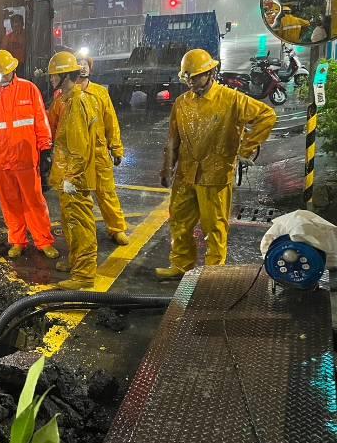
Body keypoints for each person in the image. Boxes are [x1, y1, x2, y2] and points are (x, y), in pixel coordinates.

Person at [156, 49, 277, 280]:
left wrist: (247, 148)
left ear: (211, 73)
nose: (191, 82)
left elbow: (266, 116)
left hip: (215, 175)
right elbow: (173, 139)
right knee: (180, 222)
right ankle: (181, 265)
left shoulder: (231, 99)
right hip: (186, 174)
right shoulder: (182, 103)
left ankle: (213, 275)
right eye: (188, 78)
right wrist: (167, 168)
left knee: (214, 227)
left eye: (196, 77)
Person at [0, 49, 58, 259]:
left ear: (13, 70)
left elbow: (41, 121)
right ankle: (18, 240)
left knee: (34, 202)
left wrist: (45, 149)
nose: (1, 78)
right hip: (1, 163)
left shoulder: (29, 90)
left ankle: (43, 241)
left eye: (4, 73)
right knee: (10, 204)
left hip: (26, 159)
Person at [48, 54, 128, 245]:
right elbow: (54, 125)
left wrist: (115, 147)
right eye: (79, 64)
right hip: (78, 158)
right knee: (77, 202)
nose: (83, 68)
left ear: (90, 69)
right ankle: (82, 240)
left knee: (106, 192)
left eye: (86, 64)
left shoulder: (100, 93)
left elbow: (111, 121)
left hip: (99, 153)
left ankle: (117, 228)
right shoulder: (62, 98)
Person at [46, 52, 98, 285]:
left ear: (65, 76)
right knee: (70, 222)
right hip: (68, 176)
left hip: (74, 179)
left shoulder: (77, 102)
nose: (50, 79)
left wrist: (71, 179)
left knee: (81, 224)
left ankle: (84, 274)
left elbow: (78, 147)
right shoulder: (67, 100)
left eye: (54, 75)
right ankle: (76, 260)